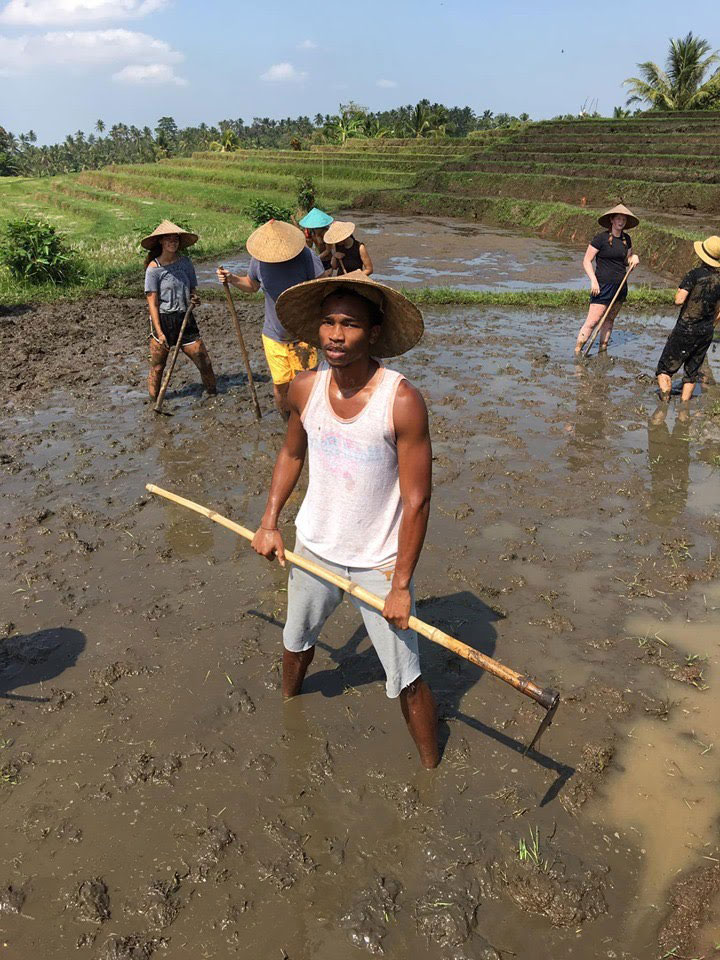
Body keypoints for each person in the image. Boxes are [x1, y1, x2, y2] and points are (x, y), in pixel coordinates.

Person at [250, 270, 439, 768]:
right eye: (329, 323)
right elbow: (291, 455)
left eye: (350, 324)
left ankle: (430, 767)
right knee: (295, 643)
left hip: (378, 562)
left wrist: (400, 584)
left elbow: (417, 501)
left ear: (372, 333)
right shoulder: (304, 388)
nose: (336, 335)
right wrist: (270, 521)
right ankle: (287, 711)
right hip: (313, 549)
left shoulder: (400, 401)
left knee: (407, 677)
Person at [216, 220, 324, 417]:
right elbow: (251, 285)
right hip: (274, 335)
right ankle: (287, 424)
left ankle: (309, 426)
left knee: (307, 385)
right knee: (281, 386)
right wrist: (231, 279)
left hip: (303, 335)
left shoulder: (306, 255)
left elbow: (321, 288)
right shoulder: (259, 260)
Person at [143, 219, 217, 400]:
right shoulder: (154, 269)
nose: (172, 242)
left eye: (175, 238)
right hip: (163, 320)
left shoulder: (185, 263)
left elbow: (192, 290)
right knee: (158, 366)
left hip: (185, 317)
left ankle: (213, 394)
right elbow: (152, 303)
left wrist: (194, 299)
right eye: (168, 238)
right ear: (161, 241)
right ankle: (154, 401)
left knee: (203, 360)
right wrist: (159, 332)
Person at [656, 235, 720, 403]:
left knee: (664, 369)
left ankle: (664, 403)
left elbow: (679, 300)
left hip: (686, 328)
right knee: (692, 373)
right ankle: (684, 409)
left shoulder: (694, 275)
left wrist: (679, 292)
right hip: (706, 331)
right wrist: (710, 323)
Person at [574, 204, 640, 355]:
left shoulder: (626, 239)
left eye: (623, 219)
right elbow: (586, 260)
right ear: (612, 220)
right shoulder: (601, 238)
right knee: (592, 322)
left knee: (609, 320)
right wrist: (593, 281)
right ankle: (578, 351)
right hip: (602, 285)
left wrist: (633, 259)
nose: (621, 222)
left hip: (620, 286)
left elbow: (627, 260)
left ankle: (602, 351)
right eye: (618, 218)